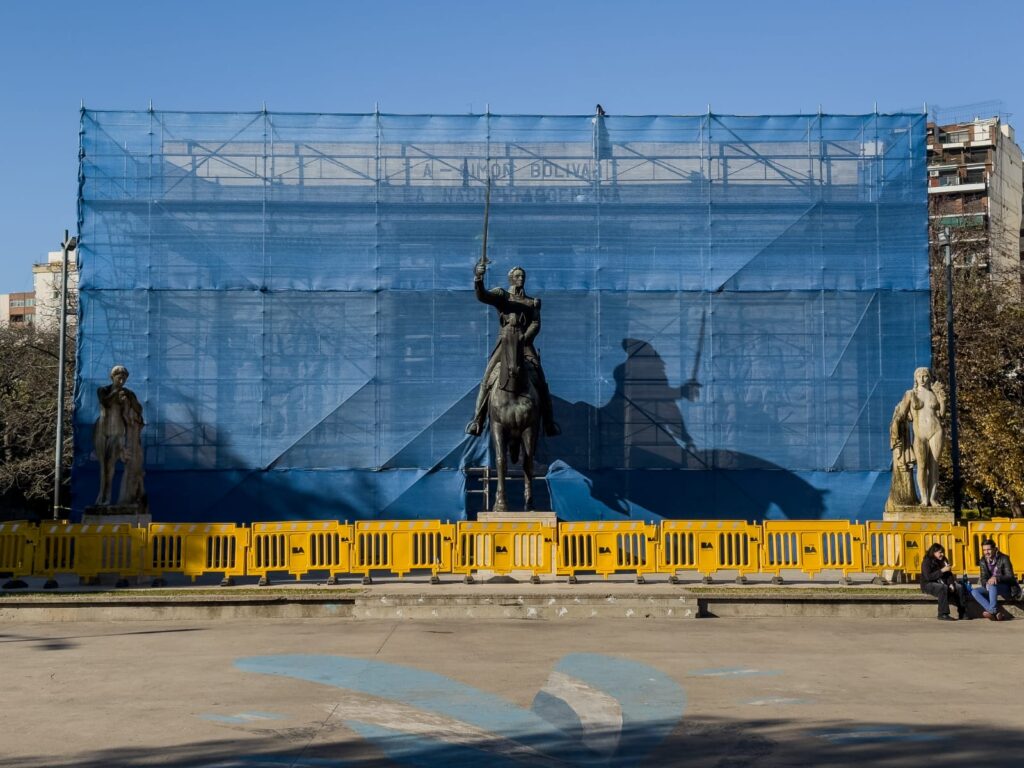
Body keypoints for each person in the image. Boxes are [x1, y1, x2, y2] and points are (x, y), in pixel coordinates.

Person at [465, 263, 561, 438]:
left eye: (522, 276)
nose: (520, 279)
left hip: (525, 344)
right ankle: (477, 421)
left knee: (540, 378)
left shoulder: (533, 302)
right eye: (517, 276)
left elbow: (536, 323)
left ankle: (549, 422)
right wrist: (478, 278)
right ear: (511, 278)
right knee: (487, 377)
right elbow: (483, 296)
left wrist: (525, 338)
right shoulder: (502, 295)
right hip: (505, 343)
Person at [891, 367, 946, 506]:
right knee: (921, 466)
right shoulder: (910, 394)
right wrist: (896, 422)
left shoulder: (934, 393)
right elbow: (902, 413)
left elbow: (942, 414)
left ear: (929, 377)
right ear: (915, 378)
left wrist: (942, 399)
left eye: (925, 376)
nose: (922, 379)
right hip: (920, 434)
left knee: (934, 465)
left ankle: (933, 498)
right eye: (919, 376)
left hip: (936, 431)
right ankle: (924, 498)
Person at [94, 365, 146, 506]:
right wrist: (116, 392)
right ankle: (103, 497)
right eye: (119, 377)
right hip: (104, 432)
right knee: (105, 467)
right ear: (113, 377)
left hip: (119, 433)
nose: (122, 380)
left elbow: (139, 409)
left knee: (114, 466)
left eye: (124, 378)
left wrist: (129, 398)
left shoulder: (128, 393)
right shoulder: (103, 390)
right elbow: (105, 402)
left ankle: (117, 498)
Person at [970, 539, 1021, 621]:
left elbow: (1010, 577)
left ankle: (992, 610)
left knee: (992, 585)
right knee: (974, 591)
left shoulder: (1004, 558)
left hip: (1007, 587)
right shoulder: (983, 561)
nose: (986, 552)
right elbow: (983, 578)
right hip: (991, 587)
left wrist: (997, 578)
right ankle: (995, 613)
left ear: (994, 549)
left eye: (988, 549)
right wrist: (986, 584)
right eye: (984, 550)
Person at [920, 543, 966, 621]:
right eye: (940, 552)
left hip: (942, 582)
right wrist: (942, 570)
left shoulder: (944, 560)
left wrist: (951, 583)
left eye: (943, 552)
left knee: (959, 587)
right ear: (934, 552)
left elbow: (949, 574)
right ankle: (942, 614)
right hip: (928, 584)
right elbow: (928, 577)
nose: (942, 554)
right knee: (942, 588)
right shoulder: (926, 562)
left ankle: (963, 613)